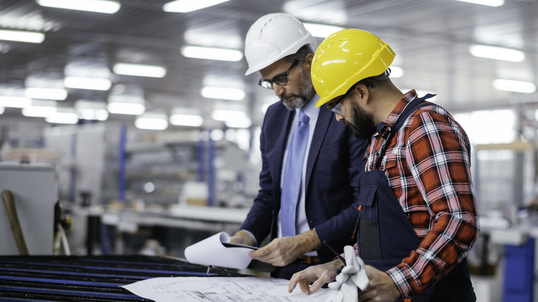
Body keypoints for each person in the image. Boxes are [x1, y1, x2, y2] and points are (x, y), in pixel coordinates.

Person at [288, 29, 479, 301]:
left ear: (362, 92)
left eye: (337, 108)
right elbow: (376, 239)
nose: (338, 119)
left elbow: (459, 222)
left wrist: (397, 282)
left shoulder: (425, 127)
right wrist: (336, 267)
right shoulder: (380, 140)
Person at [228, 13, 368, 280]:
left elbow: (364, 203)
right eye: (268, 82)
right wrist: (246, 234)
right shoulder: (274, 118)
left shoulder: (345, 113)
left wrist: (305, 241)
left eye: (281, 78)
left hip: (335, 268)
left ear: (310, 62)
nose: (277, 91)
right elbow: (269, 194)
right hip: (284, 269)